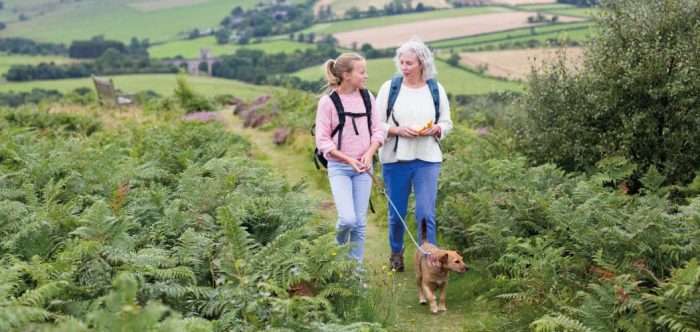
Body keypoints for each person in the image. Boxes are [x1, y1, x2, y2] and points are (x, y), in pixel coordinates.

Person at [375, 39, 453, 271]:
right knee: (396, 213)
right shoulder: (390, 88)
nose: (404, 67)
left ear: (422, 63)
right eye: (401, 62)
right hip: (395, 159)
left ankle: (429, 261)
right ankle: (396, 253)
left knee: (425, 212)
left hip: (427, 157)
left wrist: (437, 129)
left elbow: (447, 122)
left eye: (409, 62)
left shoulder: (435, 89)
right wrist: (396, 130)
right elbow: (375, 124)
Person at [315, 53, 384, 263]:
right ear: (346, 75)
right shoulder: (327, 103)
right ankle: (337, 253)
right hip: (339, 168)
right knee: (347, 220)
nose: (366, 76)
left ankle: (355, 275)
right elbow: (323, 141)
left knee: (360, 223)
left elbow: (378, 131)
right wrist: (348, 159)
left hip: (363, 168)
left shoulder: (367, 97)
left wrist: (369, 154)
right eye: (361, 72)